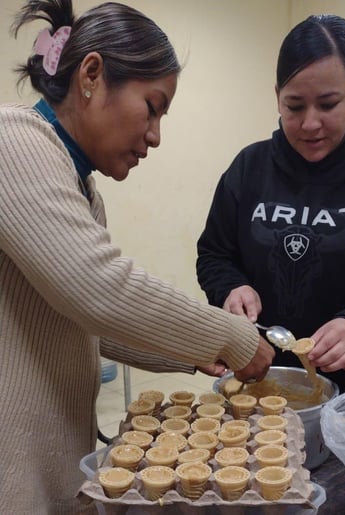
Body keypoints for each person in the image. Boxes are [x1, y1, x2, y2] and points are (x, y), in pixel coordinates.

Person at [0, 1, 275, 513]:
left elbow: (82, 321)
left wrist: (192, 352)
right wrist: (233, 337)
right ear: (92, 74)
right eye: (152, 106)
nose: (154, 135)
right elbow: (99, 290)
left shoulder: (80, 185)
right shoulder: (13, 142)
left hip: (52, 456)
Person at [197, 14, 345, 395]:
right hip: (251, 374)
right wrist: (231, 287)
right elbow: (214, 254)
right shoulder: (250, 166)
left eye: (328, 104)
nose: (310, 124)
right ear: (276, 95)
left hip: (342, 389)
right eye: (294, 106)